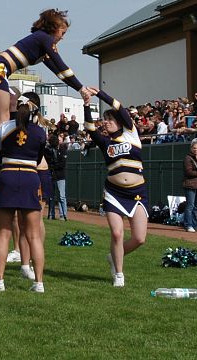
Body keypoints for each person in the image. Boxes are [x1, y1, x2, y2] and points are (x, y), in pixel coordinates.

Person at [0, 8, 95, 136]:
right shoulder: (45, 38)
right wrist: (81, 88)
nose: (62, 38)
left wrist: (80, 89)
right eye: (63, 33)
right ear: (54, 28)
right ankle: (2, 153)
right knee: (3, 117)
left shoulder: (41, 42)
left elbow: (59, 73)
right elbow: (61, 66)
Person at [83, 88, 147, 288]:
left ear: (119, 121)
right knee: (117, 233)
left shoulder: (131, 133)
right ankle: (119, 274)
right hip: (114, 193)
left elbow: (120, 107)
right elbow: (90, 128)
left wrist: (100, 94)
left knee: (139, 238)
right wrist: (86, 104)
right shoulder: (105, 142)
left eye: (110, 119)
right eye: (104, 119)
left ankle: (113, 256)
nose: (106, 122)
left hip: (137, 192)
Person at [0, 94, 47, 293]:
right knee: (34, 235)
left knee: (4, 233)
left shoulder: (4, 127)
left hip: (8, 176)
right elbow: (38, 159)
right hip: (30, 177)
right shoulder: (40, 132)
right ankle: (38, 283)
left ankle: (0, 281)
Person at [48, 131, 68, 221]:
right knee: (51, 196)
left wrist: (53, 166)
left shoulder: (62, 150)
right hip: (52, 176)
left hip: (60, 176)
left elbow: (62, 164)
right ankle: (51, 215)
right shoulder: (50, 150)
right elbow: (49, 162)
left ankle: (63, 215)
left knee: (61, 196)